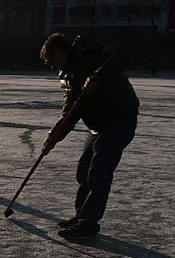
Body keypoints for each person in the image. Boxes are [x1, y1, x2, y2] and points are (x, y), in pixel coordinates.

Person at [40, 32, 139, 242]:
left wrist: (99, 76)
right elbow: (71, 111)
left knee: (99, 172)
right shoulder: (66, 75)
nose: (51, 66)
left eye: (51, 60)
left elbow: (121, 53)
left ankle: (88, 223)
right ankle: (81, 216)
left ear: (59, 52)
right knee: (84, 171)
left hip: (120, 120)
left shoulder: (90, 52)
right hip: (98, 126)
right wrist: (54, 137)